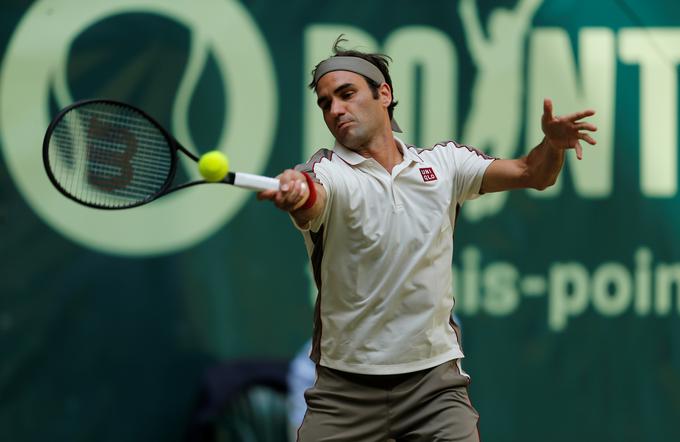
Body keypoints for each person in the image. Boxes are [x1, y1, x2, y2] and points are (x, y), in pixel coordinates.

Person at [258, 37, 597, 442]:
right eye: (326, 103)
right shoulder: (328, 172)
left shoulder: (445, 165)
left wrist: (553, 146)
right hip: (344, 391)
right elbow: (312, 197)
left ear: (384, 93)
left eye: (346, 95)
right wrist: (298, 191)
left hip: (434, 387)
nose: (336, 110)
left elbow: (532, 173)